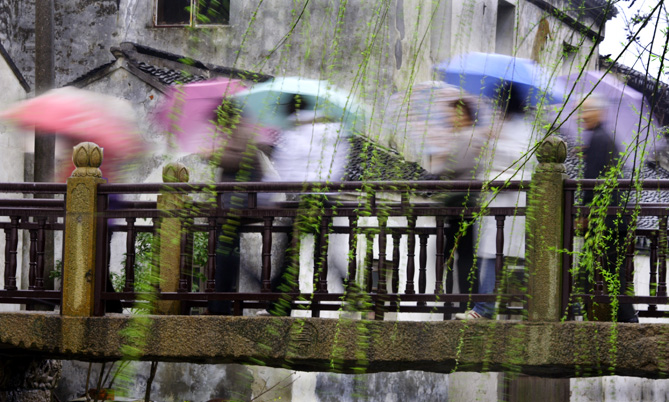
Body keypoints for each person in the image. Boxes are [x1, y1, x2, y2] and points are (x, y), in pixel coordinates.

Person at [456, 86, 537, 320]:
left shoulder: (522, 129)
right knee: (492, 256)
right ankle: (486, 308)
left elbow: (520, 164)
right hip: (496, 203)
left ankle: (485, 309)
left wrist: (494, 145)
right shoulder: (505, 126)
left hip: (509, 202)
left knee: (497, 256)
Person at [576, 95, 638, 323]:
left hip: (606, 218)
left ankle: (627, 321)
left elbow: (592, 182)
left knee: (604, 272)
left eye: (586, 111)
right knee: (611, 271)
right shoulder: (603, 138)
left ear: (599, 112)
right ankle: (625, 320)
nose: (582, 117)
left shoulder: (600, 139)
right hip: (613, 216)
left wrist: (584, 213)